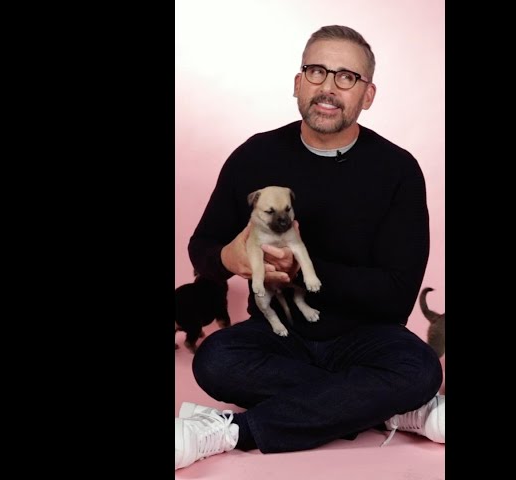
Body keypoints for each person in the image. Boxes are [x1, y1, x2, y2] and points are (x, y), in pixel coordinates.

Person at [175, 25, 444, 471]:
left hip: (370, 338)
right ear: (298, 82)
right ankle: (387, 408)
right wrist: (230, 257)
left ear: (368, 94)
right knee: (214, 360)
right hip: (277, 335)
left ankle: (232, 430)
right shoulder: (254, 156)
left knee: (420, 371)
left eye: (346, 77)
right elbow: (202, 246)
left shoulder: (398, 169)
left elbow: (398, 292)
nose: (328, 87)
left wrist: (302, 272)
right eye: (317, 71)